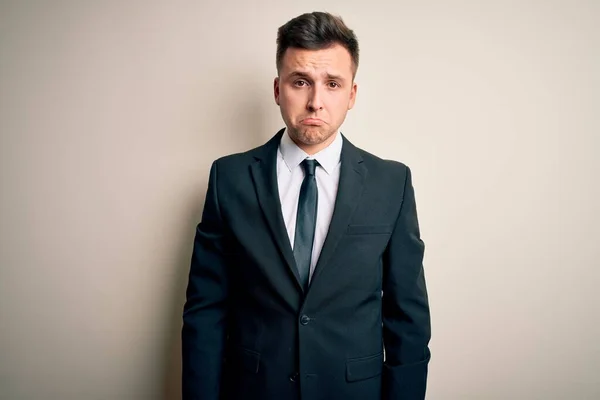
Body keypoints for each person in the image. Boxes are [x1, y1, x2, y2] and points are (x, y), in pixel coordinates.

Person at [182, 11, 431, 400]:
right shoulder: (228, 179)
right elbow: (205, 312)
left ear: (351, 94)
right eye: (301, 82)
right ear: (278, 89)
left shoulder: (392, 183)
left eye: (332, 84)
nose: (316, 101)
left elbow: (408, 320)